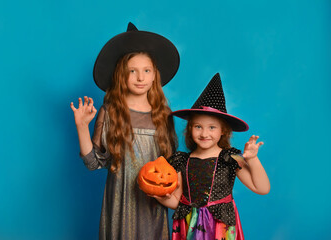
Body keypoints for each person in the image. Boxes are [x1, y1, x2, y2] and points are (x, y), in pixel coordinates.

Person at [70, 22, 179, 240]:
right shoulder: (110, 112)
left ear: (155, 75)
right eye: (133, 71)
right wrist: (82, 127)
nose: (141, 78)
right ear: (121, 74)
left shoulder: (163, 114)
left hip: (153, 207)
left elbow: (172, 167)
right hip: (120, 205)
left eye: (146, 71)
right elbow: (93, 163)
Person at [154, 73, 270, 240]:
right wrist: (159, 196)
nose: (204, 133)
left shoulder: (231, 157)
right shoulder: (181, 160)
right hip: (189, 225)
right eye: (198, 126)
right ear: (190, 128)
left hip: (220, 227)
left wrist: (252, 159)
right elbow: (176, 201)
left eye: (212, 127)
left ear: (223, 130)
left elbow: (262, 188)